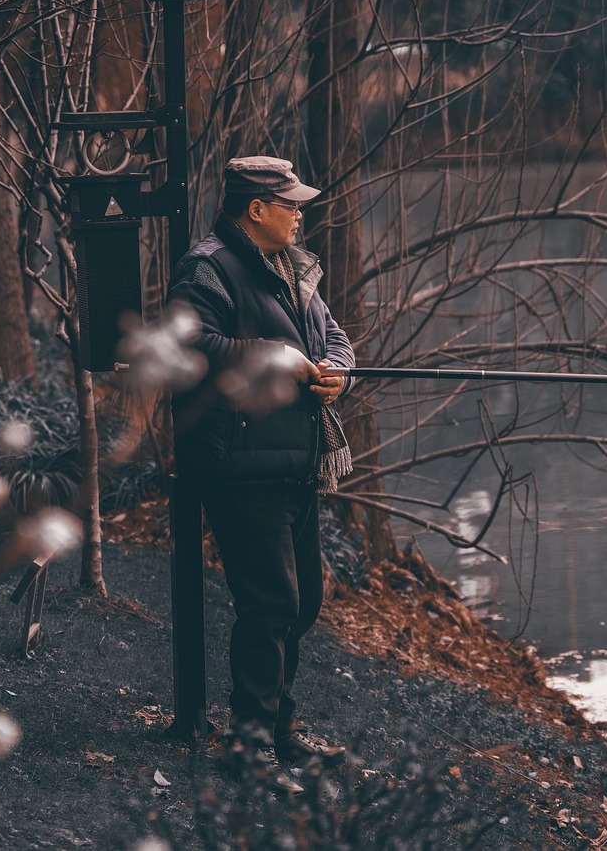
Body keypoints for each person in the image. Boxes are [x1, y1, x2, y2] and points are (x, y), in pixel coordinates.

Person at [167, 156, 355, 793]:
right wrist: (277, 355)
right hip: (237, 467)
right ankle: (248, 753)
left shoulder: (290, 269)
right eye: (291, 205)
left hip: (296, 461)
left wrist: (334, 371)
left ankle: (278, 733)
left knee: (301, 605)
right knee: (270, 604)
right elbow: (192, 350)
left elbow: (334, 338)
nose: (301, 214)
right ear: (257, 210)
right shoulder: (208, 267)